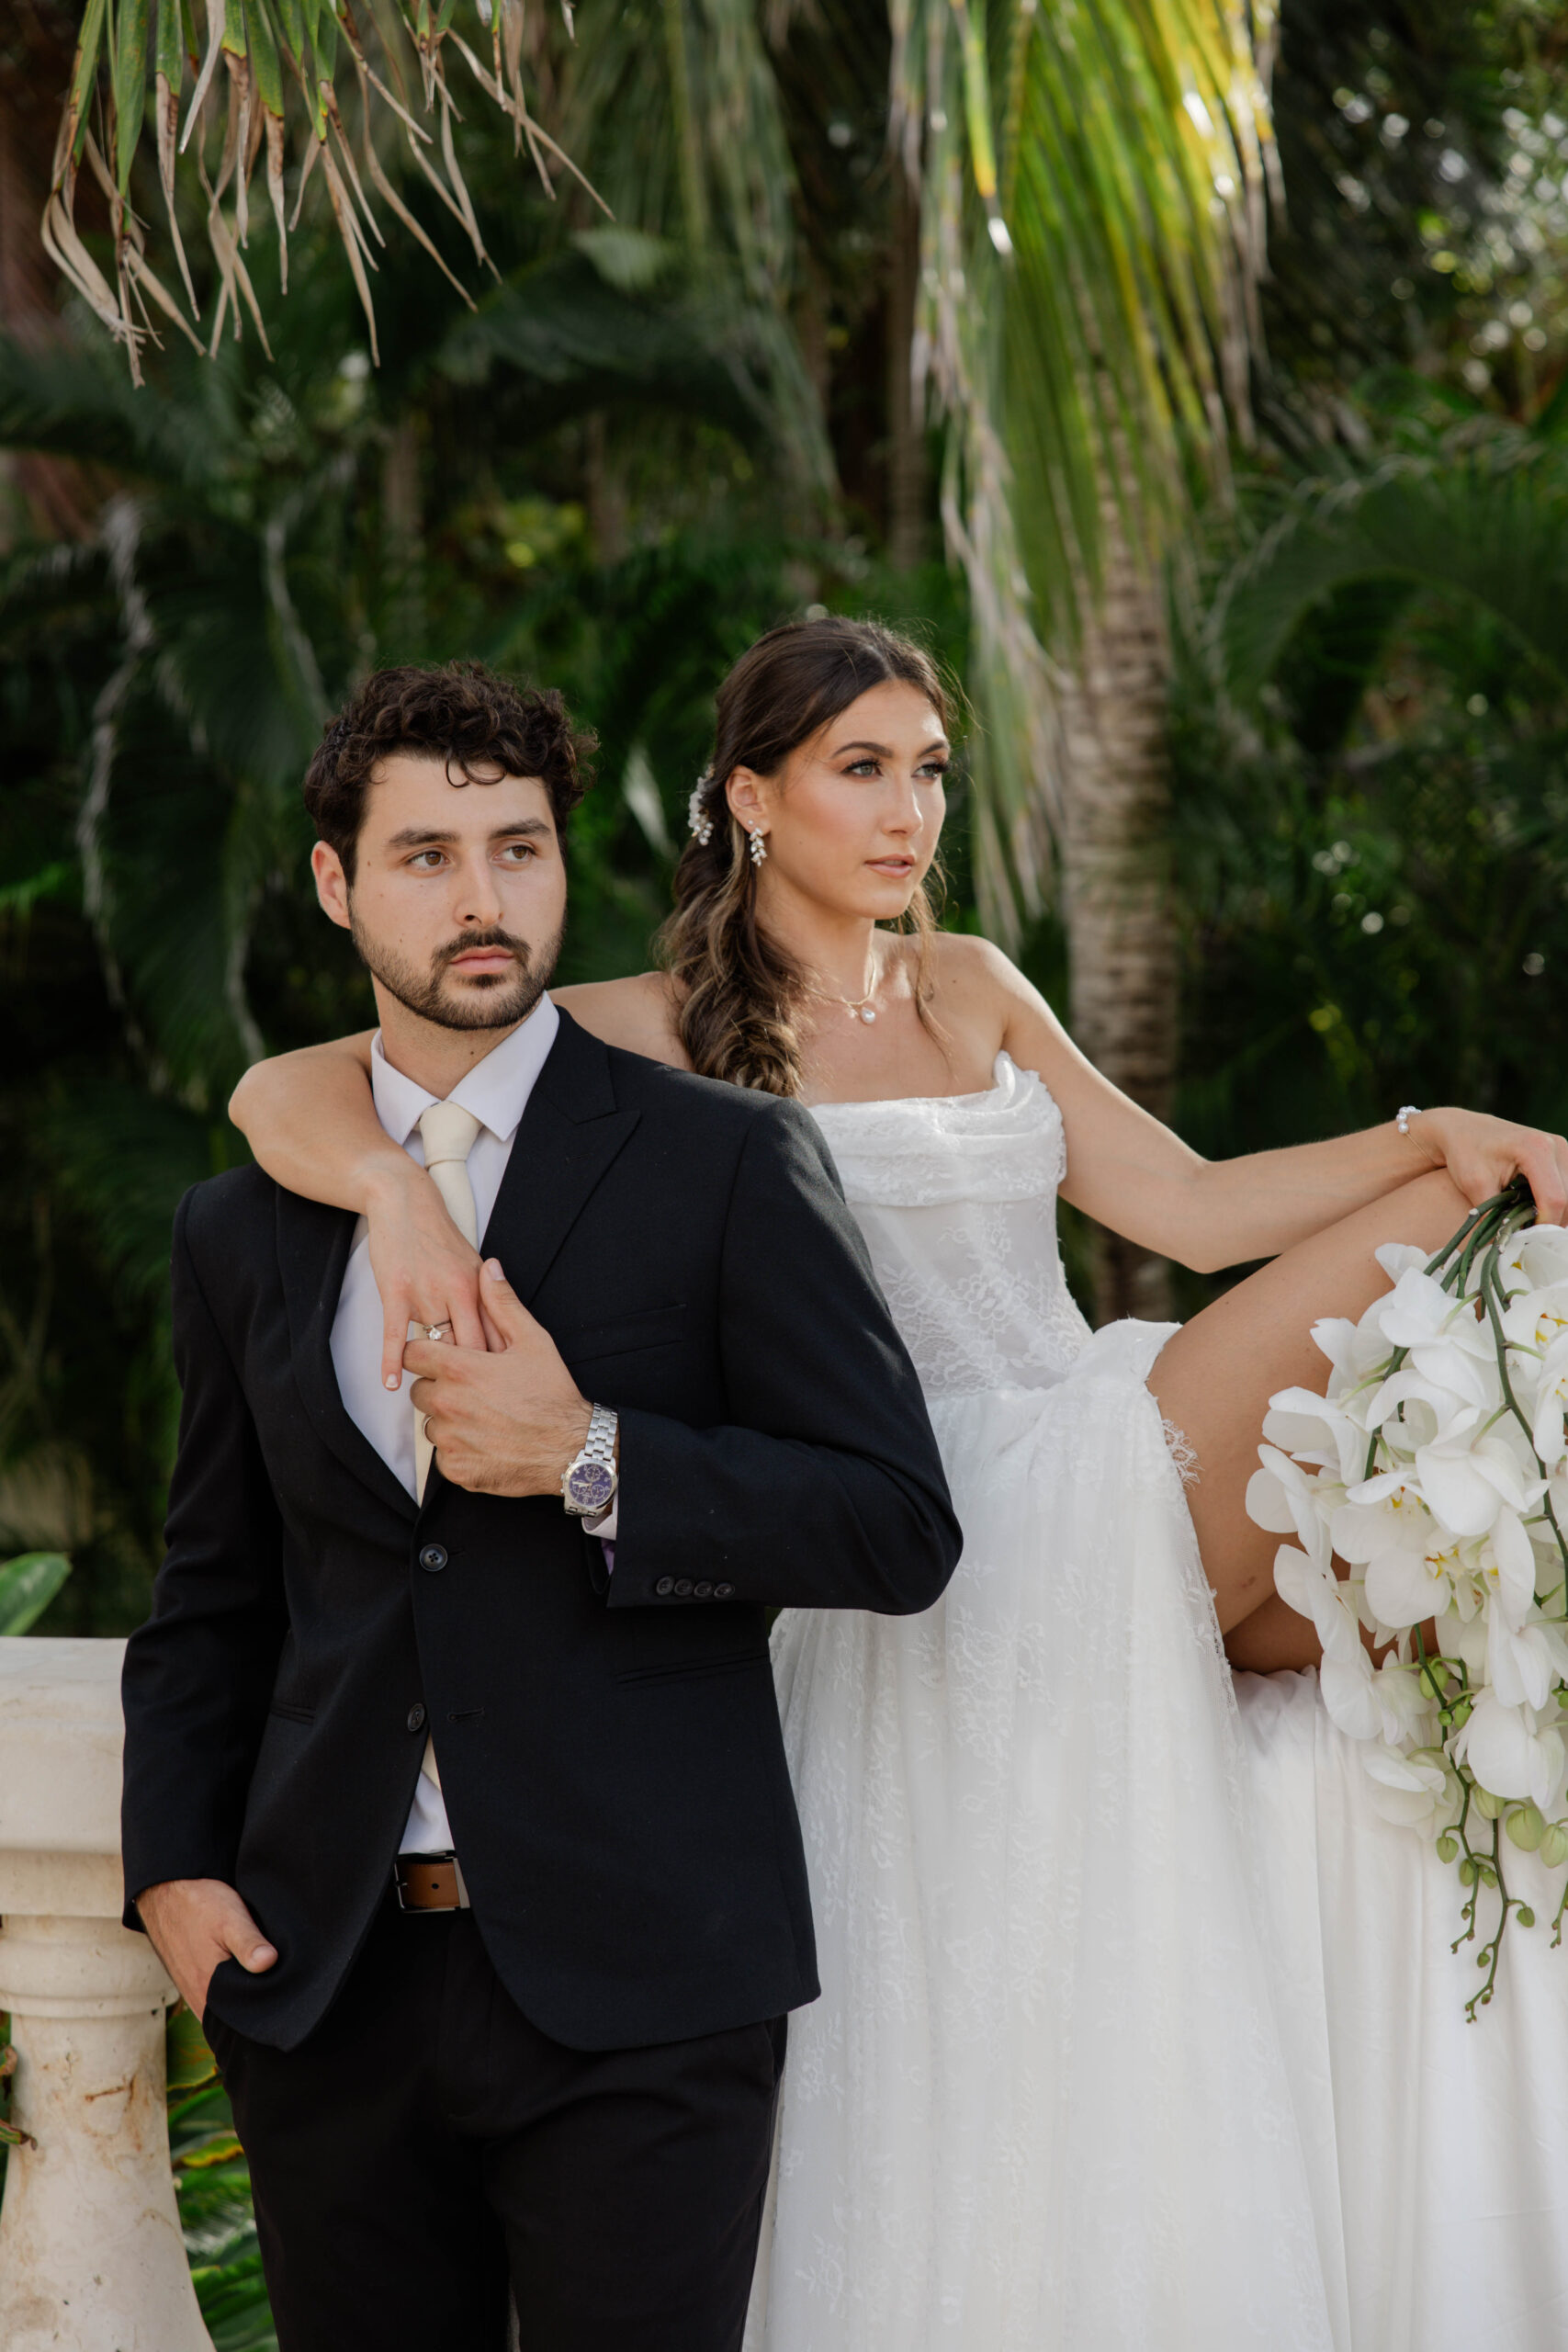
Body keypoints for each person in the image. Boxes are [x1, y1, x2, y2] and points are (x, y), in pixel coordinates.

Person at [231, 620, 1568, 2350]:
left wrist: (1427, 1130)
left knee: (1438, 1267)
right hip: (902, 1499)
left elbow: (1189, 1204)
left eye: (928, 767)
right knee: (1408, 1295)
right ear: (750, 799)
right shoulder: (633, 1028)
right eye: (861, 767)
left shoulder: (971, 981)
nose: (907, 809)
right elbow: (294, 1086)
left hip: (1079, 1432)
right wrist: (400, 1200)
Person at [119, 661, 962, 2352]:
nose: (484, 897)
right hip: (328, 1981)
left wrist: (593, 1456)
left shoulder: (722, 1160)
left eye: (520, 847)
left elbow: (893, 1523)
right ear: (338, 887)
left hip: (645, 1982)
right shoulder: (248, 1227)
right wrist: (173, 1873)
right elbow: (215, 1587)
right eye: (427, 855)